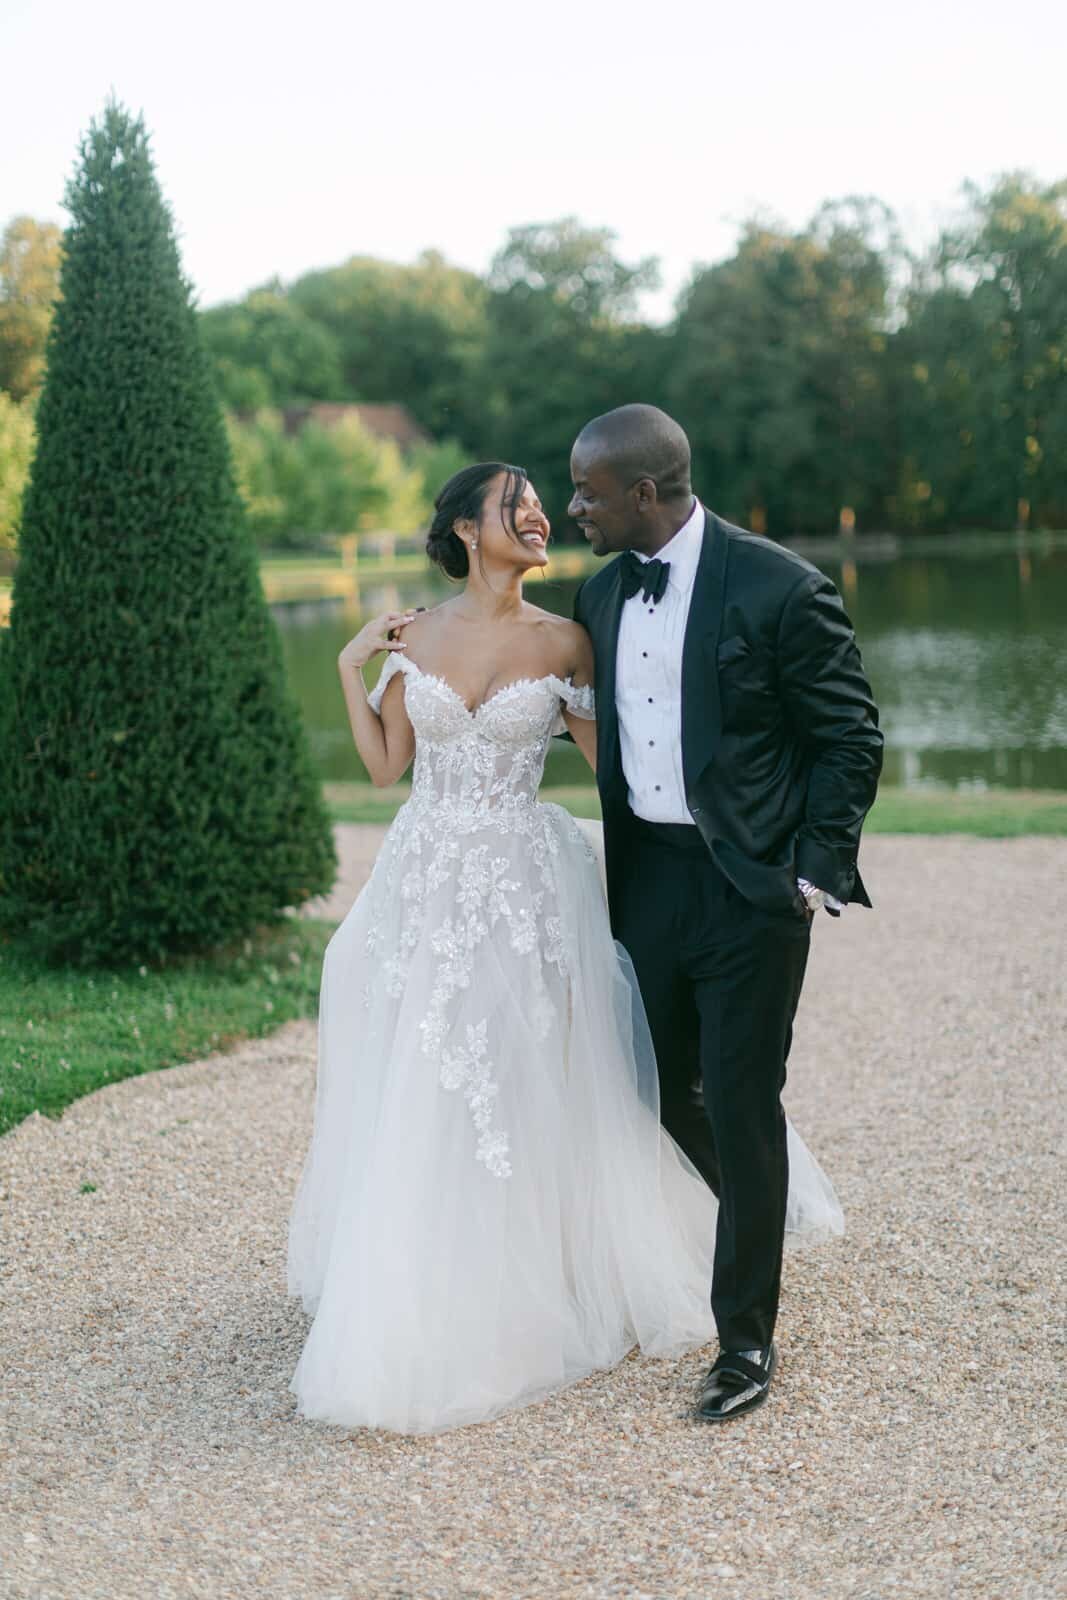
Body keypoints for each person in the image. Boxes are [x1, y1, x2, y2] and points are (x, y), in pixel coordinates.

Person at [286, 462, 842, 1435]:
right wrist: (345, 666)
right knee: (430, 1071)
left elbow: (622, 765)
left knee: (528, 1072)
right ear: (465, 528)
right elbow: (384, 767)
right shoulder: (411, 634)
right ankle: (434, 1268)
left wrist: (741, 823)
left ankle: (553, 1263)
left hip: (524, 879)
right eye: (517, 504)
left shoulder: (569, 637)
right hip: (425, 877)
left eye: (545, 503)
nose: (541, 515)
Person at [569, 405, 883, 1421]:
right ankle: (761, 1204)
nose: (572, 507)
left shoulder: (779, 586)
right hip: (646, 882)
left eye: (587, 492)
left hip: (748, 887)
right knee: (661, 1091)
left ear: (644, 493)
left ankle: (742, 1340)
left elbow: (847, 737)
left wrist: (812, 867)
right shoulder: (598, 591)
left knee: (743, 1097)